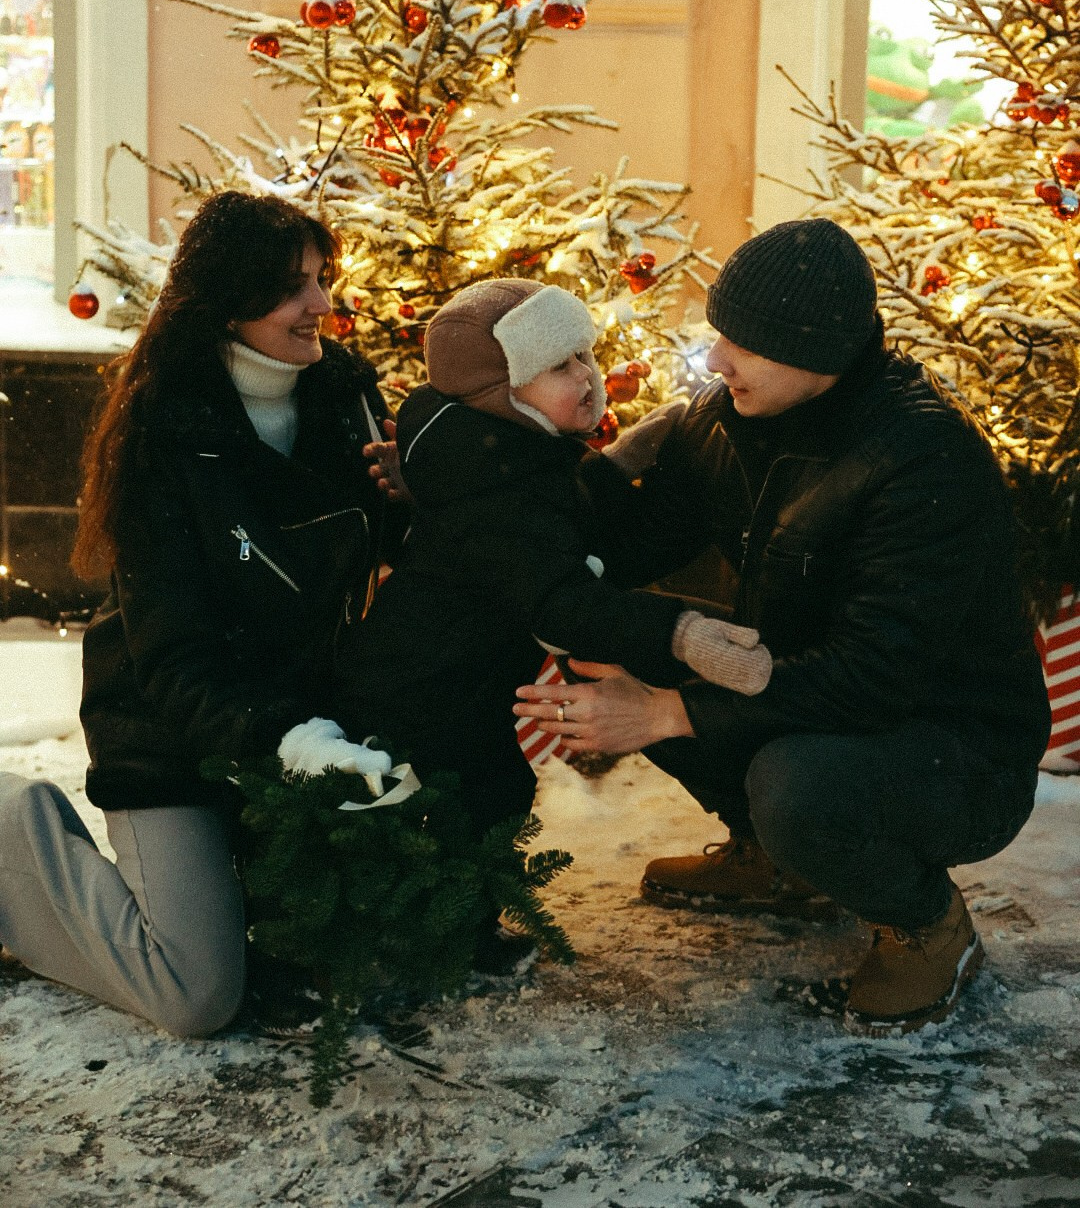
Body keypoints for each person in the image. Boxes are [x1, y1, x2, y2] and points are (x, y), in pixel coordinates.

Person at [514, 218, 1051, 1036]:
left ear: (819, 353)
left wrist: (666, 711)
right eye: (720, 334)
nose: (715, 358)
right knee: (617, 641)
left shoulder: (921, 457)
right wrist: (492, 469)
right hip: (807, 695)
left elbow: (876, 675)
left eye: (744, 343)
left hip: (953, 747)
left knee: (798, 786)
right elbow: (624, 548)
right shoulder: (722, 419)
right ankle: (774, 857)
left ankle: (925, 920)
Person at [0, 191, 403, 1036]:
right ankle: (11, 835)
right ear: (229, 297)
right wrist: (292, 741)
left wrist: (408, 499)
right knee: (196, 993)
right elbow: (172, 664)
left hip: (304, 724)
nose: (322, 305)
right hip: (173, 736)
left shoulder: (345, 399)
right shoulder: (166, 435)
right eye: (295, 286)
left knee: (358, 945)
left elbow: (380, 560)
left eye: (323, 279)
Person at [336, 276, 769, 842]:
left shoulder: (512, 451)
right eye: (559, 367)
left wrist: (614, 466)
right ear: (504, 391)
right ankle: (451, 926)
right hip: (429, 692)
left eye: (583, 355)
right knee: (464, 808)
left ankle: (469, 918)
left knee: (488, 799)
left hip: (467, 684)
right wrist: (685, 634)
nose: (587, 374)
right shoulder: (488, 487)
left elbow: (571, 515)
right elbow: (559, 602)